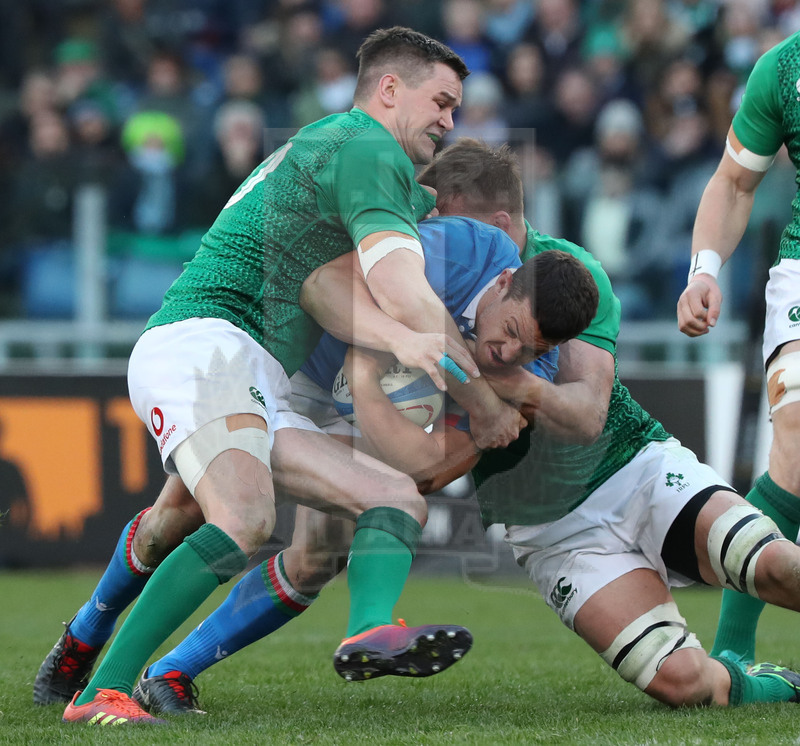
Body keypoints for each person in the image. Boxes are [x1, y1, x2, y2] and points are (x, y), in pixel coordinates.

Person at [111, 138, 800, 714]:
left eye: (444, 216)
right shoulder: (428, 279)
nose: (423, 230)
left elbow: (586, 414)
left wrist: (498, 387)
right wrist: (394, 404)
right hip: (551, 534)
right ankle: (154, 667)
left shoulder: (564, 280)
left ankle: (148, 660)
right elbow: (421, 456)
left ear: (496, 228)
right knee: (682, 683)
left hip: (633, 469)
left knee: (771, 565)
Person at [41, 27, 492, 726]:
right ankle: (106, 688)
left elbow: (328, 281)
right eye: (442, 102)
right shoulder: (366, 145)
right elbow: (397, 280)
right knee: (244, 516)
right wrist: (460, 371)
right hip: (208, 346)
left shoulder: (332, 147)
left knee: (392, 497)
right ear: (390, 89)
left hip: (254, 373)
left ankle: (369, 628)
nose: (448, 120)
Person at [129, 214, 598, 713]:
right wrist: (378, 367)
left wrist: (374, 391)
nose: (510, 352)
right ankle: (87, 643)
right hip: (284, 364)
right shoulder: (460, 251)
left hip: (354, 412)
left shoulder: (530, 373)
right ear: (504, 282)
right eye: (510, 330)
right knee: (173, 521)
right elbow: (330, 283)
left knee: (318, 554)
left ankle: (168, 673)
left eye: (532, 349)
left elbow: (430, 471)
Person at [677, 30, 800, 668]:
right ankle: (733, 652)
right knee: (797, 443)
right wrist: (703, 270)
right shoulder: (782, 69)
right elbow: (733, 183)